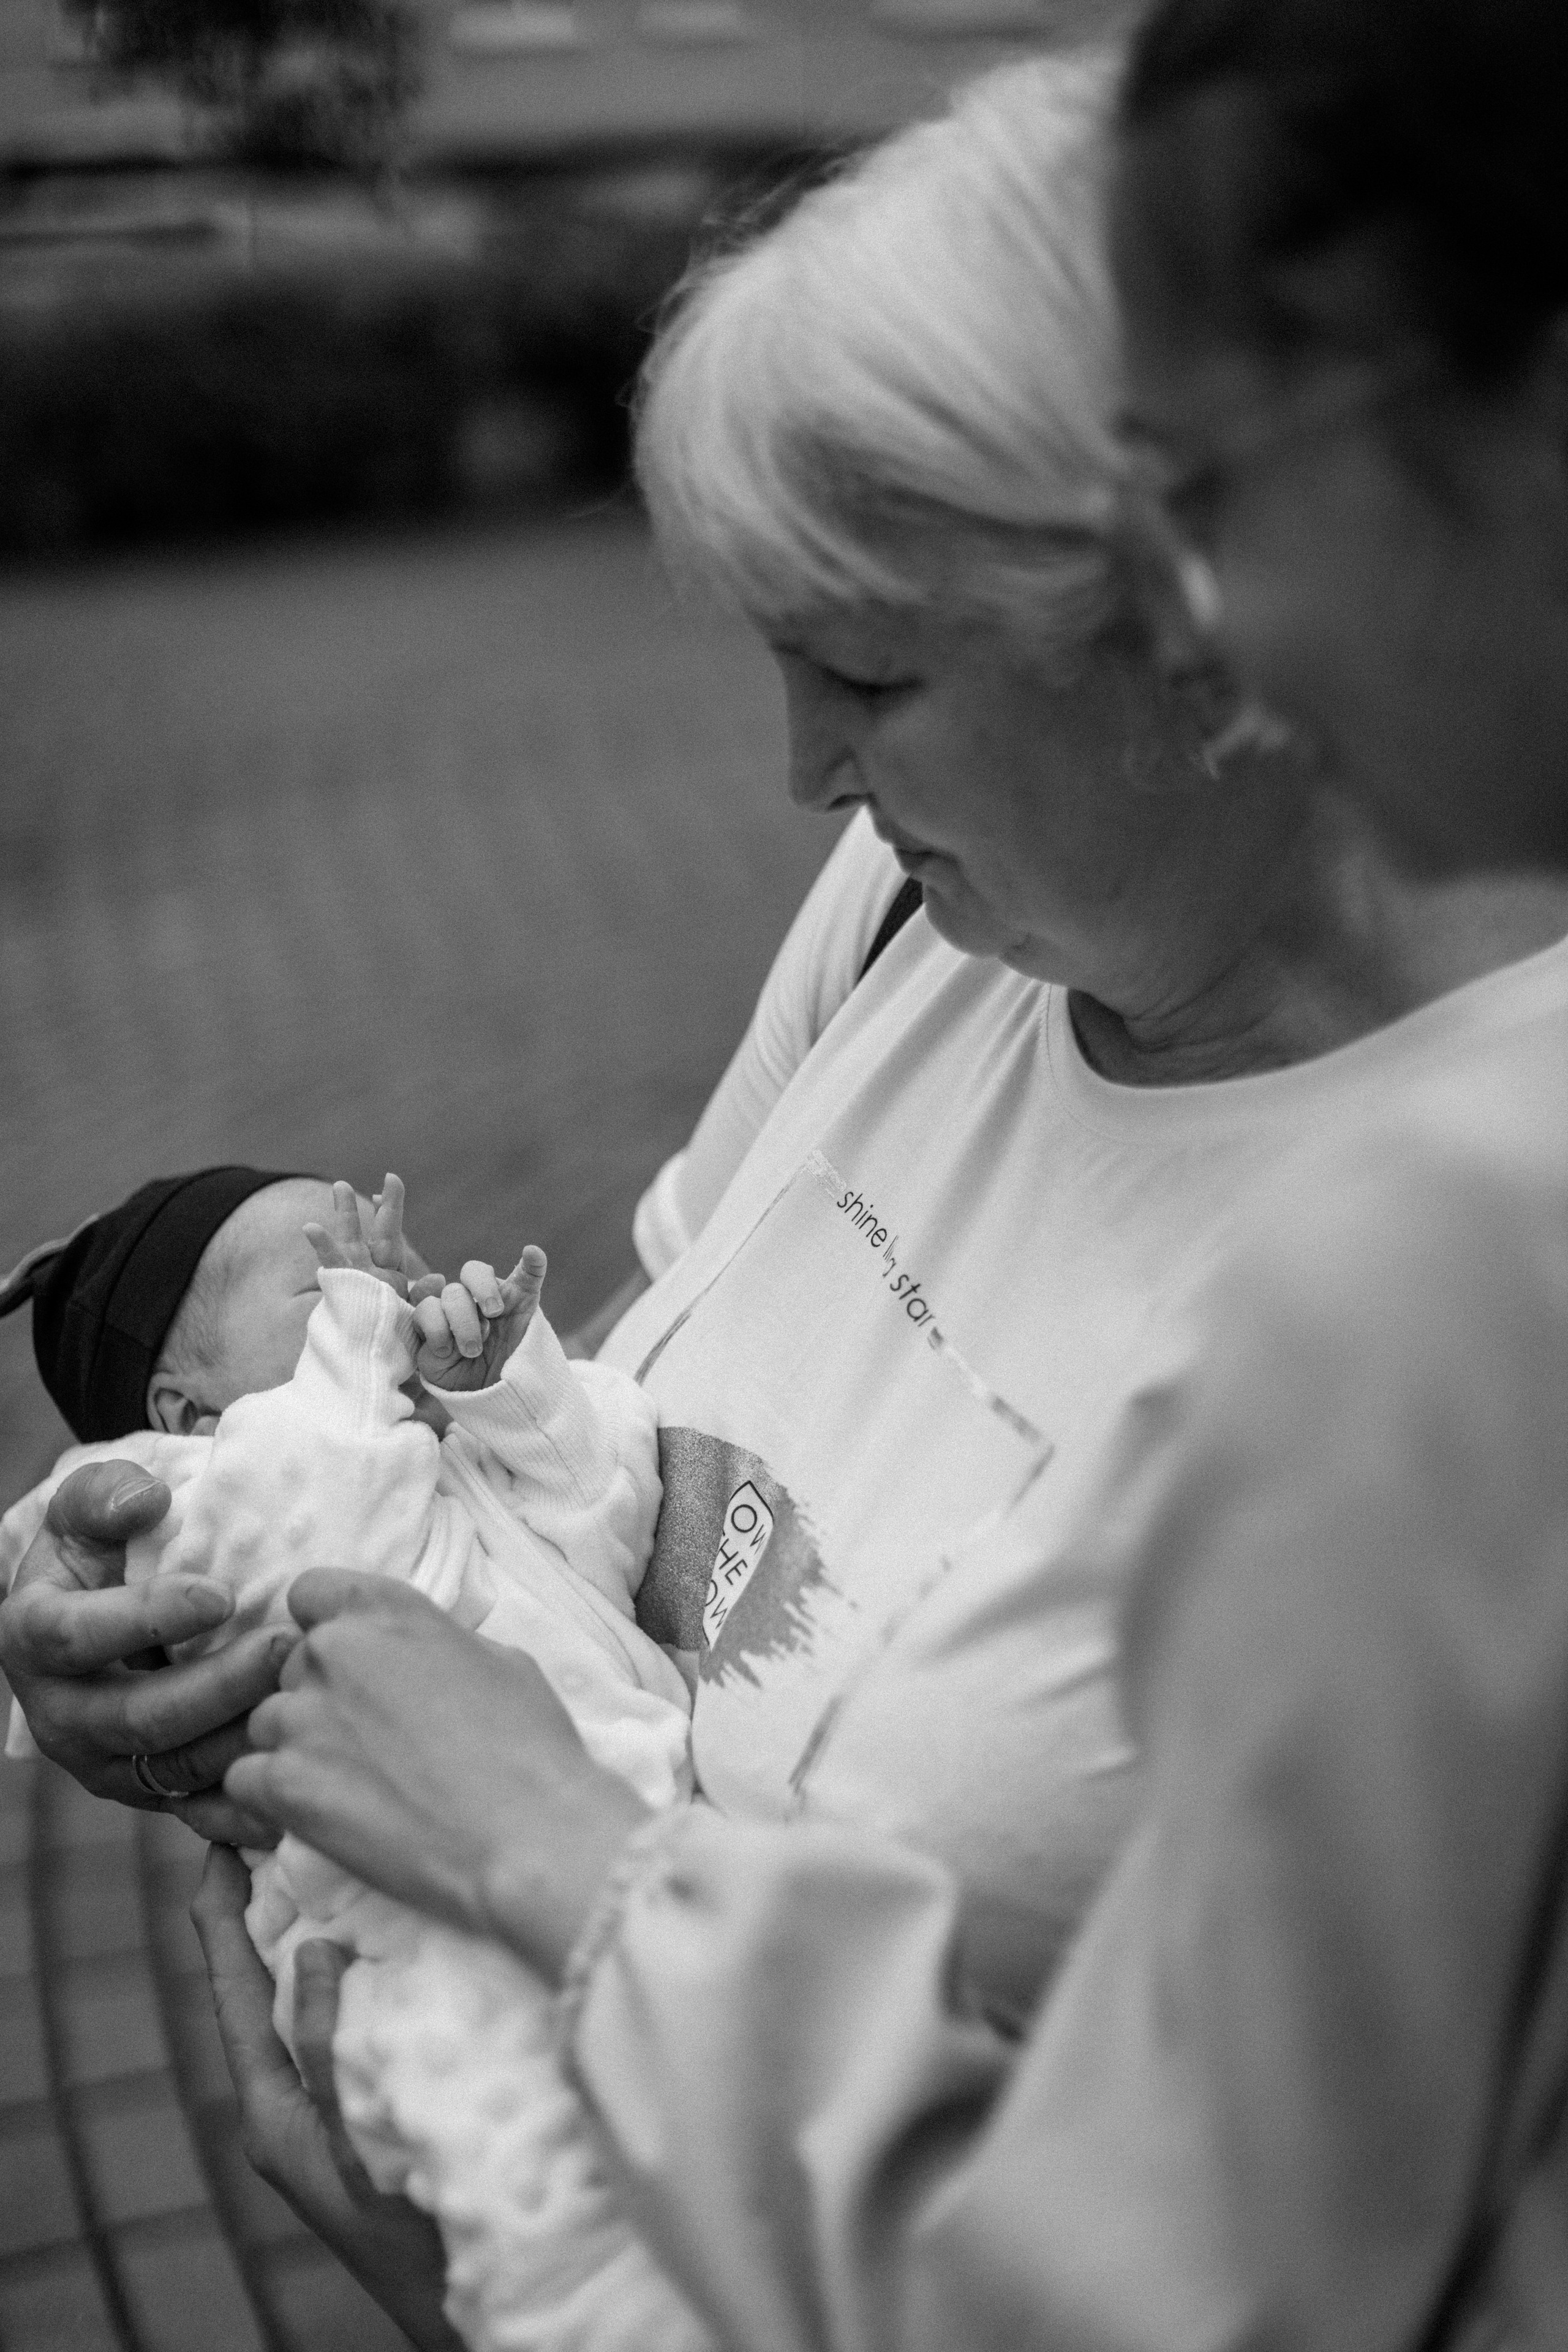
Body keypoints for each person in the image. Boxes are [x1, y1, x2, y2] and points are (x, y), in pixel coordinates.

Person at [6, 36, 1568, 2343]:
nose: (801, 773)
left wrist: (536, 1896)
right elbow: (609, 1428)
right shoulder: (928, 920)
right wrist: (248, 1605)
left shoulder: (1485, 1279)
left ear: (1205, 628)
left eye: (865, 671)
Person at [2, 1169, 703, 2352]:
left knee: (736, 2131)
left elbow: (602, 1535)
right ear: (184, 1409)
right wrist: (368, 1331)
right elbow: (323, 1542)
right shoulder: (186, 1499)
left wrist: (514, 1394)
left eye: (389, 1261)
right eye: (323, 1278)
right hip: (419, 1927)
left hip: (640, 1842)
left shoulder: (420, 1447)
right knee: (542, 2184)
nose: (388, 1283)